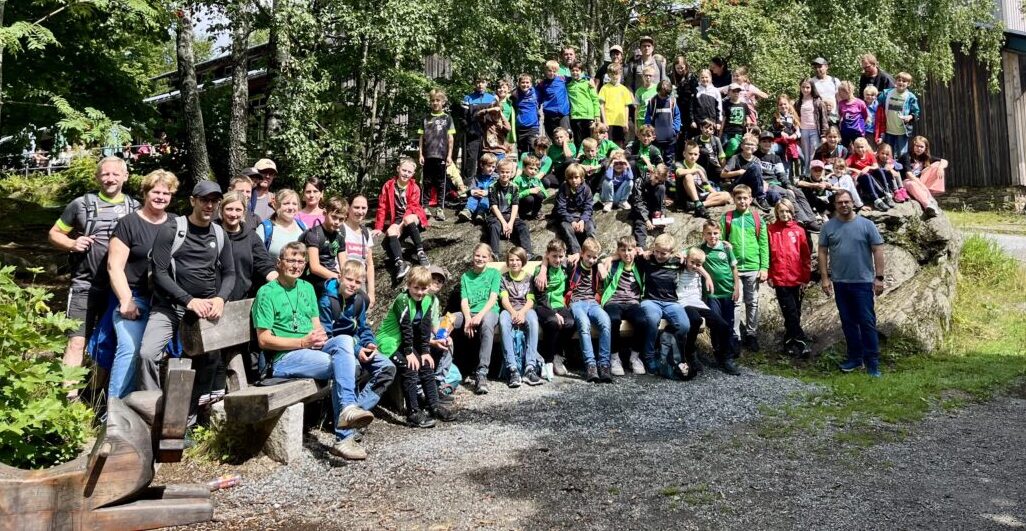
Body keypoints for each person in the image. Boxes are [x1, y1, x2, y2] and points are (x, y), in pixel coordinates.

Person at [254, 242, 374, 458]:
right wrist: (302, 342)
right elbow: (264, 340)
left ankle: (347, 410)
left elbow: (317, 325)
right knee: (341, 365)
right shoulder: (266, 293)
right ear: (279, 263)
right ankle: (344, 437)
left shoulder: (307, 288)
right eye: (291, 260)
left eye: (301, 261)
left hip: (311, 348)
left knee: (345, 340)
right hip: (284, 358)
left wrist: (319, 338)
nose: (296, 265)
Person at [137, 180, 235, 392]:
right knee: (147, 354)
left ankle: (191, 413)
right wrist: (188, 300)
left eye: (214, 201)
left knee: (209, 358)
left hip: (206, 310)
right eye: (204, 200)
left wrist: (220, 298)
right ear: (193, 201)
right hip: (170, 307)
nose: (209, 205)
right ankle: (151, 407)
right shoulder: (171, 230)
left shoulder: (219, 234)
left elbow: (230, 273)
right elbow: (160, 273)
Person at [48, 156, 139, 381]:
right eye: (105, 174)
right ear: (97, 177)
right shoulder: (81, 204)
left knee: (111, 342)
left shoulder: (135, 207)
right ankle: (68, 397)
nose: (110, 179)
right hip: (85, 285)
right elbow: (54, 233)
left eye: (115, 174)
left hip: (119, 289)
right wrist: (72, 243)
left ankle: (97, 393)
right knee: (77, 340)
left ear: (125, 176)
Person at [105, 170, 177, 399]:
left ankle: (149, 410)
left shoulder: (177, 224)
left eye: (166, 193)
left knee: (159, 353)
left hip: (166, 301)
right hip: (134, 296)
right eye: (156, 191)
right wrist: (126, 301)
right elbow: (114, 267)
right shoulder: (128, 224)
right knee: (130, 349)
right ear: (145, 193)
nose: (161, 197)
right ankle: (115, 413)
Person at [818, 190, 887, 377]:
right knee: (848, 323)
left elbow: (878, 250)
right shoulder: (829, 227)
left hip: (862, 283)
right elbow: (822, 252)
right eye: (840, 202)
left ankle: (872, 363)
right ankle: (855, 359)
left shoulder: (867, 225)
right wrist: (825, 278)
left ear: (853, 203)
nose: (844, 205)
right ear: (835, 205)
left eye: (847, 201)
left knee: (867, 323)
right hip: (840, 282)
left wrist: (879, 278)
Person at [330, 259, 398, 421]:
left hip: (357, 345)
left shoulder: (359, 300)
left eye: (358, 282)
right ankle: (345, 418)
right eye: (349, 279)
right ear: (340, 277)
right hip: (337, 348)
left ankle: (355, 412)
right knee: (353, 369)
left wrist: (369, 343)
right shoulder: (327, 299)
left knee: (388, 369)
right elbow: (327, 336)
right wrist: (356, 349)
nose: (353, 284)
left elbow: (363, 327)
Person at [721, 184, 768, 353]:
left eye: (745, 198)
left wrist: (764, 267)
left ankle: (751, 334)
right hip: (733, 268)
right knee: (735, 302)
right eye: (739, 198)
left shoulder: (757, 219)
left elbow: (764, 245)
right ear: (734, 199)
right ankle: (735, 336)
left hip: (753, 266)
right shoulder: (727, 218)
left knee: (752, 302)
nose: (742, 201)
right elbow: (720, 243)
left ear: (751, 199)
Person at [636, 234, 691, 373]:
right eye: (657, 251)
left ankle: (666, 351)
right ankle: (648, 356)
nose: (659, 255)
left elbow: (697, 254)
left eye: (663, 253)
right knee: (652, 320)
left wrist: (684, 254)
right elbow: (627, 254)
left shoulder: (677, 261)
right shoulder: (647, 259)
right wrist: (645, 253)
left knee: (684, 326)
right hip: (650, 300)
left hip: (671, 302)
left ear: (671, 252)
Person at [677, 247, 735, 379]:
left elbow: (697, 263)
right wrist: (683, 255)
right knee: (695, 320)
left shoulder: (698, 270)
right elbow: (679, 255)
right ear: (687, 259)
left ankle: (724, 358)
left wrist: (706, 275)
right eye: (692, 262)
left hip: (697, 302)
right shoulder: (679, 267)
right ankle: (690, 352)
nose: (695, 266)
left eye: (698, 265)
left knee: (723, 325)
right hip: (683, 302)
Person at [452, 244, 501, 395]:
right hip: (469, 313)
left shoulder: (494, 273)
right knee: (447, 320)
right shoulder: (466, 276)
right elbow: (464, 301)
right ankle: (444, 370)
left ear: (489, 258)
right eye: (477, 255)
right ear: (473, 256)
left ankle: (482, 373)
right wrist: (467, 318)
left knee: (487, 324)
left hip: (488, 311)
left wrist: (479, 316)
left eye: (484, 256)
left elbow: (493, 298)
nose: (480, 259)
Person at [767, 199, 813, 358]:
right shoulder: (771, 230)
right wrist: (770, 275)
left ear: (792, 212)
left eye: (787, 211)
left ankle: (789, 341)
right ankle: (801, 341)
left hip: (797, 278)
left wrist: (805, 278)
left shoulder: (799, 230)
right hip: (780, 279)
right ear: (777, 213)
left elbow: (806, 256)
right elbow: (767, 255)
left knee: (795, 312)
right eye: (781, 211)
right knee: (790, 311)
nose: (785, 214)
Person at [564, 238, 613, 383]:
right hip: (576, 302)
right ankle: (590, 365)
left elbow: (606, 270)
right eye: (588, 256)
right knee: (583, 325)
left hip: (592, 302)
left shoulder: (596, 267)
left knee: (605, 322)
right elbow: (553, 257)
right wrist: (574, 256)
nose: (591, 260)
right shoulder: (574, 264)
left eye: (594, 257)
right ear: (582, 254)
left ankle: (604, 364)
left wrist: (599, 263)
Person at [696, 220, 741, 374]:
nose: (712, 236)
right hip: (712, 294)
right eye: (708, 233)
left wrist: (737, 287)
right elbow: (688, 254)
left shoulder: (726, 248)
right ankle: (718, 354)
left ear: (720, 233)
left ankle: (727, 358)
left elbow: (734, 268)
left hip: (728, 293)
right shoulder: (701, 250)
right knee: (716, 324)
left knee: (728, 324)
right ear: (703, 234)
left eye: (715, 233)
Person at [375, 158, 430, 281]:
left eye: (409, 172)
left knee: (408, 219)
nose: (406, 174)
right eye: (404, 170)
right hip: (397, 218)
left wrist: (401, 225)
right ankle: (400, 263)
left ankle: (420, 252)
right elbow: (382, 206)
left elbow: (412, 206)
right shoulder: (388, 185)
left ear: (413, 174)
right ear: (398, 169)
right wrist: (378, 227)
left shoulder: (414, 187)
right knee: (390, 232)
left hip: (412, 215)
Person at [599, 236, 646, 376]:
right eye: (623, 250)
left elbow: (652, 255)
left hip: (633, 302)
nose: (627, 253)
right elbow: (596, 259)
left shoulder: (640, 263)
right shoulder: (614, 264)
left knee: (642, 320)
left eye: (630, 250)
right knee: (613, 320)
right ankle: (614, 357)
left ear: (635, 250)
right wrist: (605, 262)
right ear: (618, 251)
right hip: (614, 301)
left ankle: (635, 357)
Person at [498, 247, 543, 387]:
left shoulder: (529, 278)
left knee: (533, 321)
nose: (514, 262)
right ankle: (512, 368)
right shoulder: (503, 278)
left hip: (525, 308)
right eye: (511, 260)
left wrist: (522, 313)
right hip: (509, 309)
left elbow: (530, 300)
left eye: (517, 260)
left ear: (523, 261)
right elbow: (504, 299)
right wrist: (513, 313)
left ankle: (530, 368)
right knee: (503, 321)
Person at [532, 239, 576, 380]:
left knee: (570, 323)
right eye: (554, 256)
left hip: (559, 304)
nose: (557, 260)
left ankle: (558, 356)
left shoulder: (564, 268)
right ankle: (548, 361)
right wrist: (554, 313)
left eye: (560, 256)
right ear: (548, 256)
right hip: (543, 305)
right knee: (552, 322)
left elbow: (581, 256)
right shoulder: (540, 271)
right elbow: (540, 298)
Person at [301, 197, 346, 332]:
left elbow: (344, 264)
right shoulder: (314, 234)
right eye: (334, 217)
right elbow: (314, 267)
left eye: (341, 219)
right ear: (325, 213)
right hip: (315, 279)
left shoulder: (340, 236)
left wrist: (346, 278)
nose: (337, 222)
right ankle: (326, 330)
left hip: (332, 275)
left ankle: (347, 327)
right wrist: (336, 277)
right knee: (332, 289)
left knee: (360, 296)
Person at [418, 88, 457, 220]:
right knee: (427, 182)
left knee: (441, 183)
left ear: (443, 102)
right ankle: (424, 207)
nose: (435, 103)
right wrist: (420, 155)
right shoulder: (425, 118)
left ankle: (440, 208)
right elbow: (421, 138)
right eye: (433, 100)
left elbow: (450, 138)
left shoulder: (447, 118)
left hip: (441, 155)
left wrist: (449, 155)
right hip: (428, 155)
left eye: (438, 100)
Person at [484, 159, 533, 257]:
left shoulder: (514, 187)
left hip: (510, 215)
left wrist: (510, 223)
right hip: (496, 216)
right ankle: (495, 254)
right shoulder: (492, 187)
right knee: (494, 226)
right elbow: (494, 206)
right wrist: (503, 223)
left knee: (523, 226)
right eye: (502, 172)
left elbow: (515, 205)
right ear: (498, 171)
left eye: (507, 172)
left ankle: (528, 253)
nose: (505, 174)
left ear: (511, 173)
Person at [674, 141, 732, 217]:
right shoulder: (679, 164)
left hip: (700, 196)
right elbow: (679, 173)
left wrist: (717, 194)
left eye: (695, 154)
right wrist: (697, 171)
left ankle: (698, 205)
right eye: (690, 154)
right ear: (684, 154)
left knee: (726, 195)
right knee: (688, 176)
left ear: (698, 155)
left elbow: (706, 186)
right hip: (686, 197)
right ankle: (697, 203)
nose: (693, 156)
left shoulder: (701, 168)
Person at [459, 76, 499, 182]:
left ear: (487, 83)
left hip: (488, 136)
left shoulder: (492, 98)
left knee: (486, 160)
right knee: (471, 160)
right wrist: (469, 129)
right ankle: (468, 185)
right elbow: (462, 118)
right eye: (478, 82)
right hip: (473, 136)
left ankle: (485, 184)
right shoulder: (468, 98)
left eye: (483, 82)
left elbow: (496, 118)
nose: (480, 84)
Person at [340, 195, 377, 307]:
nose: (360, 211)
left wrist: (371, 293)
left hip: (360, 284)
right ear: (348, 208)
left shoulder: (366, 233)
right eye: (356, 207)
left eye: (363, 208)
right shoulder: (340, 229)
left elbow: (369, 265)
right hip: (342, 284)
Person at [873, 72, 920, 158]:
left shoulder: (910, 97)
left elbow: (916, 113)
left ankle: (902, 171)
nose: (901, 82)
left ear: (908, 83)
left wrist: (909, 117)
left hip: (902, 131)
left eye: (904, 81)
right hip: (887, 131)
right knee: (887, 155)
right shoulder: (887, 93)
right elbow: (875, 104)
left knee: (902, 155)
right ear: (895, 81)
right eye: (899, 80)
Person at [721, 134, 772, 211]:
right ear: (742, 146)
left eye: (752, 144)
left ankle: (759, 198)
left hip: (750, 186)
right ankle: (760, 198)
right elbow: (723, 174)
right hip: (739, 184)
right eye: (747, 144)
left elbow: (759, 177)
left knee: (771, 190)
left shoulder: (756, 159)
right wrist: (739, 172)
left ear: (756, 148)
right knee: (755, 167)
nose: (749, 146)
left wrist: (764, 183)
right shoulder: (735, 158)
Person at [890, 141, 940, 218]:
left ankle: (933, 192)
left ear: (925, 148)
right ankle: (928, 205)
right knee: (911, 183)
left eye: (921, 147)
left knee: (937, 165)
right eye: (917, 146)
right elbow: (909, 175)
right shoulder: (906, 156)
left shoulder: (925, 157)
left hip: (919, 181)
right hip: (904, 181)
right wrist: (922, 186)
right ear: (913, 146)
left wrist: (941, 168)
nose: (919, 148)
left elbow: (944, 161)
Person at [554, 163, 595, 254]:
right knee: (566, 229)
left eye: (576, 177)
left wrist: (582, 220)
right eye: (570, 178)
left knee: (590, 228)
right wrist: (571, 221)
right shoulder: (563, 188)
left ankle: (591, 251)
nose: (574, 180)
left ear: (581, 177)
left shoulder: (586, 189)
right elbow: (560, 208)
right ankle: (576, 252)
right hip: (567, 216)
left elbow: (588, 208)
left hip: (582, 216)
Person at [258, 189, 307, 258]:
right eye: (286, 203)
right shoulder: (265, 229)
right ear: (276, 205)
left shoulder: (303, 227)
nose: (291, 207)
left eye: (294, 204)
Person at [629, 163, 669, 247]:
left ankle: (662, 247)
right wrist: (646, 220)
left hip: (654, 208)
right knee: (640, 224)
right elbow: (637, 201)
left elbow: (661, 202)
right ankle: (641, 248)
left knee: (662, 188)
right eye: (656, 178)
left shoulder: (661, 184)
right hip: (641, 208)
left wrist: (662, 214)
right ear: (652, 172)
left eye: (660, 180)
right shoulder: (640, 180)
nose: (657, 181)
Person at [644, 79, 682, 165]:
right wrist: (649, 130)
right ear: (657, 91)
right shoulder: (653, 101)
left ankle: (668, 176)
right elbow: (647, 117)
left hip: (670, 137)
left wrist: (674, 130)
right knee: (655, 158)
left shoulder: (672, 101)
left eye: (666, 95)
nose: (663, 97)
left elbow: (677, 116)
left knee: (669, 159)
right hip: (655, 138)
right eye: (661, 94)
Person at [797, 79, 830, 176]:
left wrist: (824, 134)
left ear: (812, 88)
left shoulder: (817, 102)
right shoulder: (798, 102)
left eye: (808, 87)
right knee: (805, 154)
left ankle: (812, 173)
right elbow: (795, 117)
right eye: (803, 87)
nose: (805, 90)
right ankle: (805, 173)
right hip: (803, 130)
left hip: (815, 130)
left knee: (813, 152)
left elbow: (824, 119)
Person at [597, 64, 635, 146]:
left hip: (620, 122)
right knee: (608, 143)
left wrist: (625, 122)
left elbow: (626, 107)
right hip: (609, 121)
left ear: (620, 74)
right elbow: (601, 106)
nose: (614, 76)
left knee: (620, 144)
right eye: (612, 74)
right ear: (608, 75)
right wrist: (604, 121)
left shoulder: (624, 89)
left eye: (616, 74)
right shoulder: (604, 88)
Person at [567, 61, 601, 148]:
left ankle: (591, 158)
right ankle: (580, 158)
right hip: (575, 117)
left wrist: (597, 115)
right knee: (578, 140)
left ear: (581, 71)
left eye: (577, 70)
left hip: (588, 116)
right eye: (573, 71)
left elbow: (595, 99)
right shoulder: (568, 85)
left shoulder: (588, 83)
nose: (575, 73)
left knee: (589, 140)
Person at [459, 153, 499, 223]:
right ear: (482, 165)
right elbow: (470, 188)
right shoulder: (476, 177)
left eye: (493, 167)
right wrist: (473, 192)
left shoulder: (496, 178)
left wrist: (487, 192)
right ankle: (468, 211)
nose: (491, 169)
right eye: (489, 166)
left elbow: (498, 189)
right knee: (472, 198)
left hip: (488, 198)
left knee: (485, 199)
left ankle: (481, 213)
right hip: (477, 197)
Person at [537, 60, 571, 141]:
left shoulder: (563, 79)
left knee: (565, 137)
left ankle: (567, 153)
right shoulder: (542, 84)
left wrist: (587, 78)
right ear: (545, 71)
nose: (552, 73)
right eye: (549, 71)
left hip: (563, 114)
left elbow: (576, 78)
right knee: (552, 138)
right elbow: (537, 98)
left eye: (554, 71)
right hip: (550, 115)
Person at [670, 55, 699, 141]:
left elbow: (695, 93)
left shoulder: (691, 77)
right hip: (676, 107)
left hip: (688, 108)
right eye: (677, 68)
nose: (680, 70)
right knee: (677, 132)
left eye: (682, 68)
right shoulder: (671, 77)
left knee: (688, 134)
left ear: (686, 66)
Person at [512, 73, 542, 155]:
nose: (525, 84)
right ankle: (522, 167)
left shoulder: (536, 93)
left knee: (534, 149)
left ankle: (535, 167)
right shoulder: (515, 94)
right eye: (523, 82)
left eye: (527, 82)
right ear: (519, 84)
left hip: (533, 127)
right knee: (522, 151)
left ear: (531, 84)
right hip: (520, 127)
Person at [720, 83, 752, 157]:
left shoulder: (744, 105)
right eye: (734, 91)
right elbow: (723, 119)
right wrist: (720, 133)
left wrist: (748, 133)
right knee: (723, 149)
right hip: (727, 132)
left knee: (734, 148)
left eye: (738, 91)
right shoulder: (725, 104)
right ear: (729, 92)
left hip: (739, 133)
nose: (736, 93)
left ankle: (730, 163)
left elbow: (747, 120)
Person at [513, 154, 548, 220]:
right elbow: (514, 197)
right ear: (524, 167)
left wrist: (541, 190)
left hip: (532, 203)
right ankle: (522, 215)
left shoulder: (536, 180)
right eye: (531, 168)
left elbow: (545, 193)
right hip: (521, 203)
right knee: (529, 198)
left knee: (540, 195)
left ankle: (535, 213)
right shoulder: (518, 180)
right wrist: (529, 191)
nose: (533, 171)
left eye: (536, 169)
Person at [837, 81, 870, 147]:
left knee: (859, 148)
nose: (839, 94)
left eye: (840, 92)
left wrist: (862, 128)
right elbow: (840, 116)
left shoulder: (860, 103)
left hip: (857, 132)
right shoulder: (841, 103)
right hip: (845, 131)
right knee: (844, 149)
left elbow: (866, 117)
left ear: (847, 91)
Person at [694, 118, 726, 186]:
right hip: (701, 165)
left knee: (717, 182)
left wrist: (723, 169)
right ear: (701, 128)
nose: (708, 130)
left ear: (713, 131)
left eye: (711, 129)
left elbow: (721, 156)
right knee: (704, 151)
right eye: (706, 128)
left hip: (714, 165)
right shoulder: (696, 139)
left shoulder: (716, 140)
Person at [810, 57, 840, 123]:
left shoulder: (835, 81)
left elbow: (839, 99)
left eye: (820, 66)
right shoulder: (811, 82)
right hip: (818, 117)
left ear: (826, 67)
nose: (817, 69)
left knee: (834, 132)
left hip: (833, 115)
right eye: (815, 67)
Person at [634, 66, 659, 135]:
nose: (648, 77)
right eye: (646, 75)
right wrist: (636, 126)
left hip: (653, 120)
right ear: (642, 76)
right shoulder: (639, 91)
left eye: (650, 75)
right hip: (641, 120)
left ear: (653, 77)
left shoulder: (657, 89)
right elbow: (637, 109)